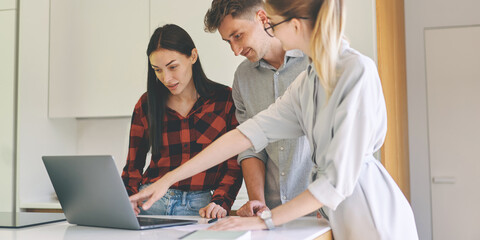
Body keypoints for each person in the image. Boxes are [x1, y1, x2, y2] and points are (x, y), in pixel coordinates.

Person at [129, 0, 419, 239]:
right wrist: (168, 179)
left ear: (294, 25)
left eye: (274, 23)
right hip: (336, 216)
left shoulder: (357, 71)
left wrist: (263, 221)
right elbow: (248, 134)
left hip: (373, 212)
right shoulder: (308, 82)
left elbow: (335, 182)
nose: (272, 29)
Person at [204, 0, 313, 217]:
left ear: (262, 18)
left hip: (317, 207)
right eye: (228, 42)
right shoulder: (242, 78)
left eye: (238, 36)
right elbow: (251, 146)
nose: (235, 50)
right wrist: (258, 203)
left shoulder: (313, 62)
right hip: (271, 212)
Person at [121, 24, 242, 219]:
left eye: (172, 67)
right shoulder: (146, 104)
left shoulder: (224, 100)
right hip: (150, 201)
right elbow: (132, 168)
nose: (166, 78)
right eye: (157, 70)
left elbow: (235, 163)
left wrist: (221, 201)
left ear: (193, 56)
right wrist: (127, 199)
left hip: (201, 206)